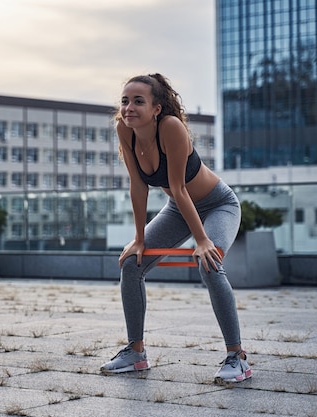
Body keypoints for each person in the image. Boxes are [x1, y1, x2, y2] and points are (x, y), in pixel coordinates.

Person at [100, 73, 252, 383]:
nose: (129, 108)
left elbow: (179, 187)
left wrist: (203, 241)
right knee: (132, 263)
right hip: (178, 209)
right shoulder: (124, 130)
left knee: (209, 264)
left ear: (156, 108)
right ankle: (136, 353)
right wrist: (139, 239)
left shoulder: (171, 128)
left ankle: (237, 357)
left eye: (138, 101)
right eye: (125, 101)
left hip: (217, 204)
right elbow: (138, 186)